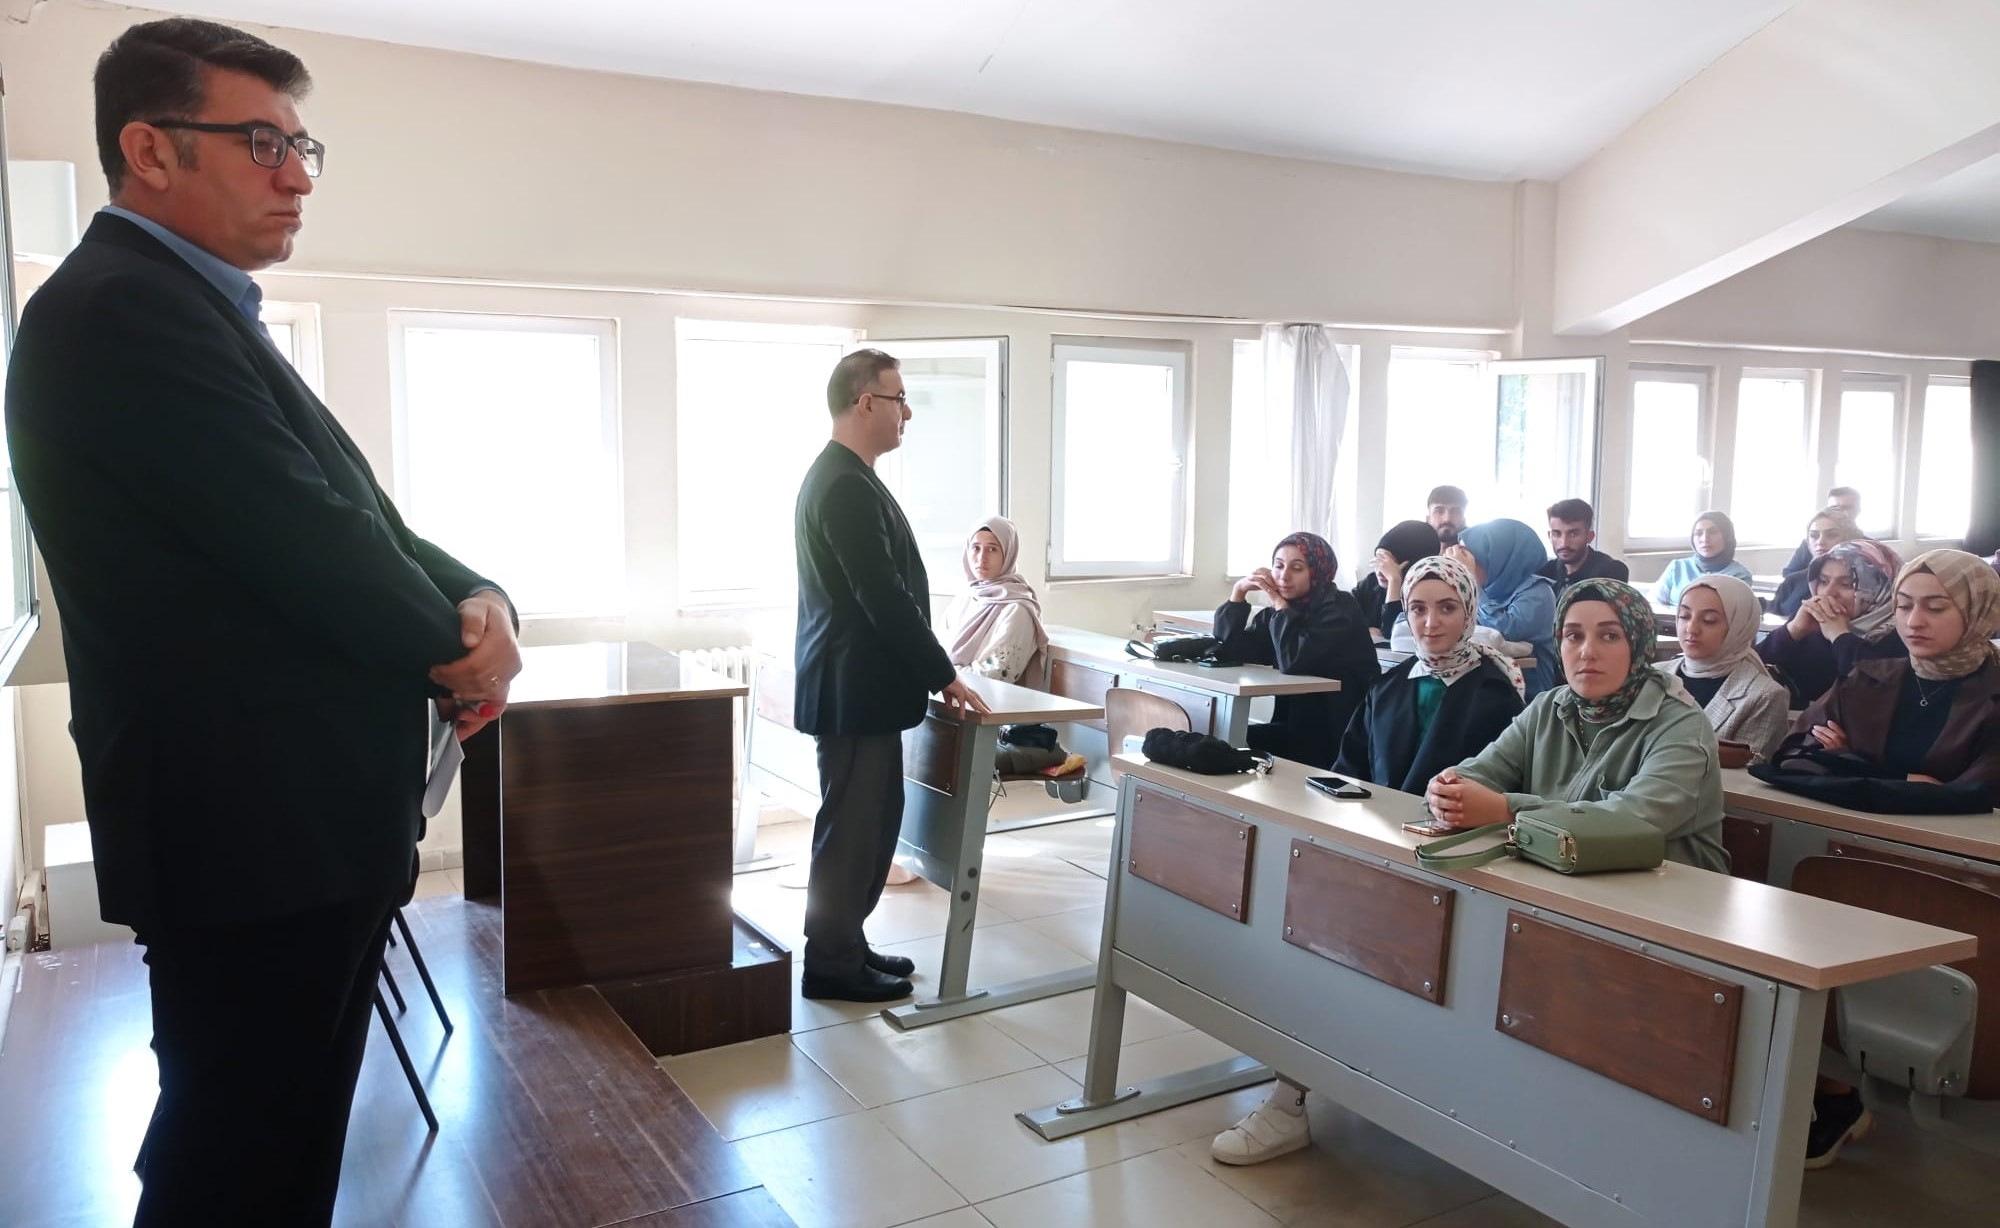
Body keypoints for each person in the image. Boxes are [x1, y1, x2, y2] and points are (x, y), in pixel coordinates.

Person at [3, 20, 523, 1226]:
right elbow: (307, 540)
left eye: (301, 147)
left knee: (270, 1143)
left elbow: (364, 517)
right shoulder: (123, 309)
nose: (297, 176)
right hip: (252, 833)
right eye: (261, 142)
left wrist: (484, 600)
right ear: (150, 149)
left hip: (283, 829)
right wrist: (457, 651)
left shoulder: (191, 306)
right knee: (237, 1156)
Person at [1210, 554, 1524, 1165]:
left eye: (1447, 608)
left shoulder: (1498, 693)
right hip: (1377, 850)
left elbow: (1499, 792)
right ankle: (1290, 1095)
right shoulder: (1393, 680)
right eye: (1417, 608)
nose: (1430, 623)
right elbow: (1347, 768)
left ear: (1469, 612)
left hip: (1453, 868)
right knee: (1305, 939)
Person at [1770, 549, 2000, 1168]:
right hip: (1854, 856)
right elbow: (1793, 752)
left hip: (1954, 869)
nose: (1914, 621)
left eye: (1935, 606)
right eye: (1903, 606)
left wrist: (1860, 769)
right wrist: (1885, 775)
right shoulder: (1872, 675)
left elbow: (1982, 789)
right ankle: (1837, 1089)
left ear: (1978, 612)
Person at [794, 349, 989, 1003]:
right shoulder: (843, 484)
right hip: (853, 691)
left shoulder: (848, 475)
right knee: (853, 830)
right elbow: (880, 594)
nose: (908, 412)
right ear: (864, 403)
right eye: (899, 398)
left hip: (861, 690)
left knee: (871, 824)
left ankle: (846, 942)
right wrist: (942, 672)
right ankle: (831, 963)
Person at [1426, 578, 1730, 874]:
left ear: (1639, 644)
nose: (1587, 652)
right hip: (1557, 878)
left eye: (1609, 636)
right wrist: (1447, 792)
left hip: (1669, 895)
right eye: (1573, 636)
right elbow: (1481, 771)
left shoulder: (1682, 723)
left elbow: (1635, 821)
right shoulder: (1549, 706)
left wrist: (1506, 810)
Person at [1214, 531, 1380, 768]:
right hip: (1296, 726)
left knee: (1235, 745)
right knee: (1223, 741)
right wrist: (1238, 593)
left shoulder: (1340, 608)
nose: (1283, 576)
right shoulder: (1281, 611)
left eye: (1297, 568)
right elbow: (1229, 651)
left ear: (1317, 571)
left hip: (1339, 732)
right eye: (1278, 566)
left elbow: (1294, 660)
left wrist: (1279, 605)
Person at [1757, 539, 1908, 707]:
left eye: (1847, 584)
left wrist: (1840, 636)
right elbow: (1752, 668)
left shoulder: (1902, 633)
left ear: (1880, 587)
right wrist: (1793, 631)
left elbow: (1873, 690)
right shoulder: (1810, 619)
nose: (1829, 593)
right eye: (1823, 581)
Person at [1660, 576, 1790, 763]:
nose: (1691, 629)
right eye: (1684, 616)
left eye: (1709, 620)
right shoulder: (1653, 675)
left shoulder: (1765, 696)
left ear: (1740, 626)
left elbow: (1747, 771)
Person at [1445, 519, 1559, 697]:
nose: (1466, 568)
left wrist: (1472, 582)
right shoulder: (1487, 589)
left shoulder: (1538, 592)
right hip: (1483, 685)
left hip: (1528, 695)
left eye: (1472, 561)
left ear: (1496, 559)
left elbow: (1505, 631)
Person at [940, 516, 1049, 686]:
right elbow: (937, 651)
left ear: (1008, 553)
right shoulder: (965, 598)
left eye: (992, 549)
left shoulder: (1017, 610)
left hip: (988, 699)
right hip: (946, 693)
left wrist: (945, 676)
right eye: (976, 548)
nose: (981, 558)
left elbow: (996, 673)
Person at [1351, 519, 1441, 640]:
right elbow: (1344, 620)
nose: (1380, 570)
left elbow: (1394, 635)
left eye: (1390, 563)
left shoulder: (1427, 591)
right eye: (1379, 559)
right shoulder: (1370, 583)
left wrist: (1394, 581)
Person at [1771, 507, 1861, 617]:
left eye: (1831, 535)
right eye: (1814, 536)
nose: (1820, 542)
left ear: (1849, 539)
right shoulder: (1792, 582)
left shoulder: (1863, 583)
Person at [1652, 510, 1754, 605]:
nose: (1705, 539)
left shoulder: (1739, 576)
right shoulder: (1677, 567)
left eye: (1713, 532)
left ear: (1727, 536)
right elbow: (1654, 603)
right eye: (1698, 533)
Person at [1536, 498, 1628, 594]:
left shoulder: (1611, 571)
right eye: (1557, 534)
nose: (1564, 543)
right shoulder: (1544, 572)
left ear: (1590, 537)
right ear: (1549, 536)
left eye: (1573, 534)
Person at [1781, 486, 1863, 576]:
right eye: (1833, 508)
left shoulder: (1868, 547)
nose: (1840, 512)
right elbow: (1788, 574)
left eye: (1846, 508)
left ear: (1858, 510)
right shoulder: (1809, 543)